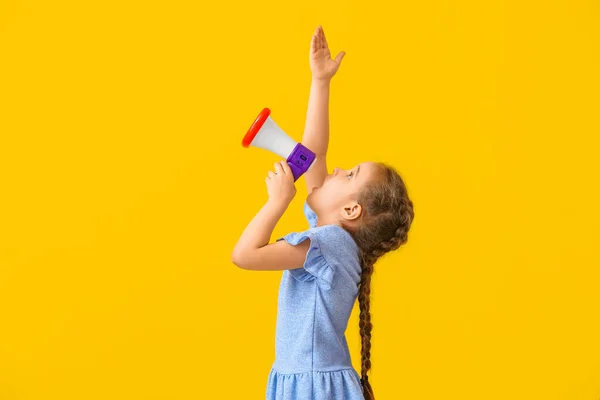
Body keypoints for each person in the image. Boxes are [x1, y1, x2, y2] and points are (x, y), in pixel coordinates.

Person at [231, 25, 415, 400]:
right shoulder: (334, 238)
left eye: (350, 174)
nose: (335, 169)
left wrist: (276, 203)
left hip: (312, 388)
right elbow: (314, 152)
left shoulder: (327, 245)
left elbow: (244, 256)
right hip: (307, 381)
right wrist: (320, 81)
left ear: (350, 208)